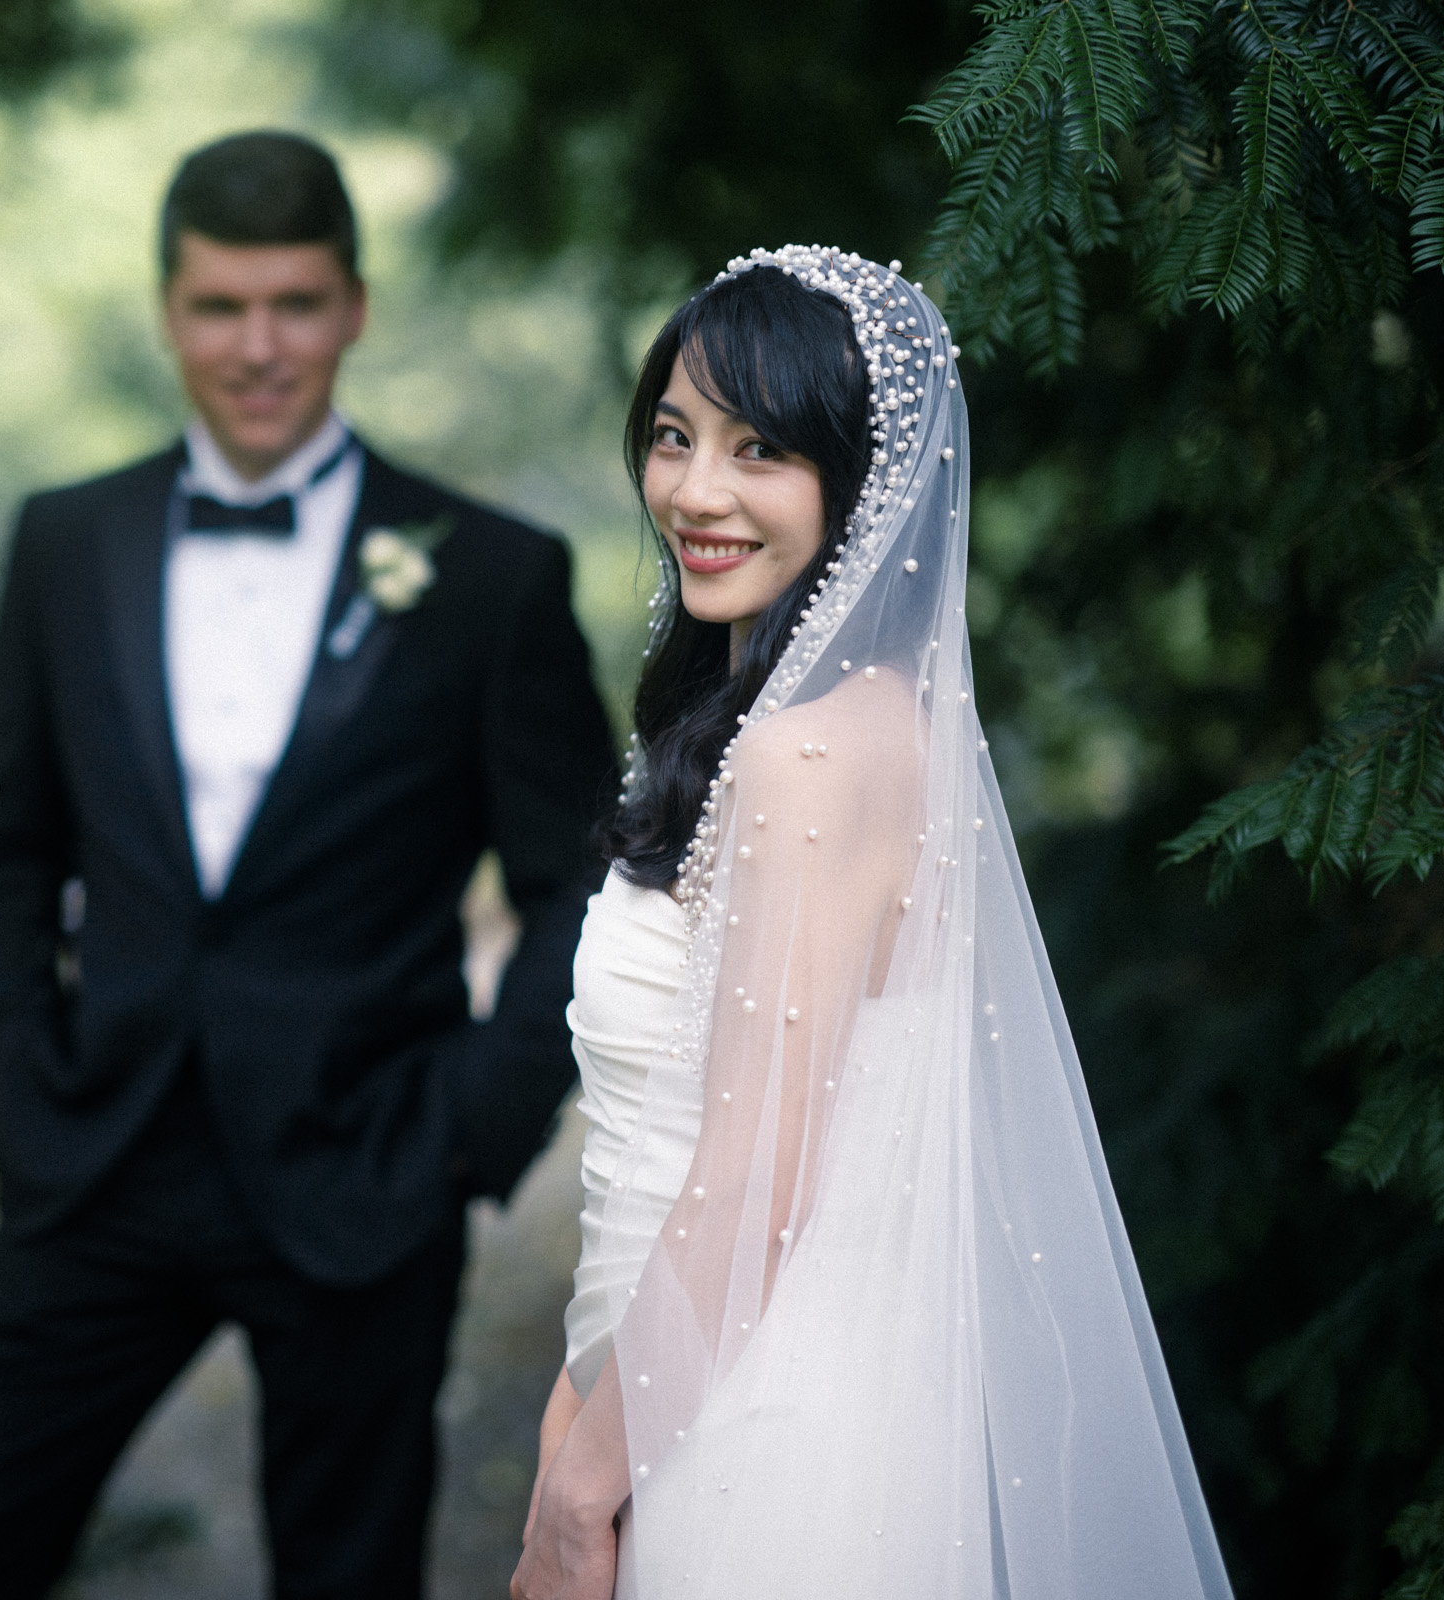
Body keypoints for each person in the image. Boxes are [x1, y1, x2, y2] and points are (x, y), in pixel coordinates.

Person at [0, 130, 617, 1599]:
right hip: (98, 1164)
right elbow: (5, 849)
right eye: (221, 307)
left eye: (293, 303)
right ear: (169, 310)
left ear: (353, 305)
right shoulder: (63, 543)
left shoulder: (489, 576)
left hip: (365, 1171)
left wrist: (476, 1121)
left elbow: (582, 883)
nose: (258, 346)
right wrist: (25, 1082)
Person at [513, 246, 1235, 1600]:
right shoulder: (798, 730)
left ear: (862, 487)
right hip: (670, 1381)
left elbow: (752, 1190)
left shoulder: (815, 758)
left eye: (761, 448)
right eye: (674, 436)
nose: (697, 490)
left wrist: (575, 1490)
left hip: (753, 1441)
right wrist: (577, 1402)